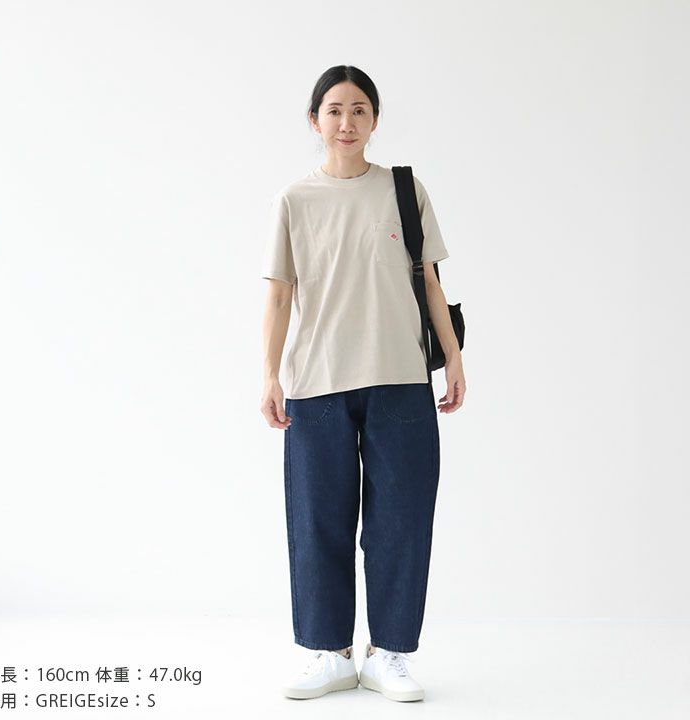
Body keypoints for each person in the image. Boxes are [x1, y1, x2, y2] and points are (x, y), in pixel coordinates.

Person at [259, 65, 466, 703]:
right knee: (317, 519)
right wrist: (269, 375)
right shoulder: (295, 200)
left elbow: (430, 282)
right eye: (334, 110)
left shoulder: (404, 190)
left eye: (359, 110)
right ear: (314, 120)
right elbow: (279, 295)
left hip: (400, 376)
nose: (346, 122)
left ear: (374, 120)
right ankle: (329, 653)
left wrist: (453, 359)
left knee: (402, 519)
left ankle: (389, 654)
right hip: (316, 380)